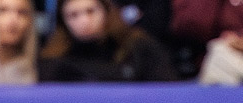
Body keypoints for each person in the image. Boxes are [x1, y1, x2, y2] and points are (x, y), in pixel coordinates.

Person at [39, 0, 176, 82]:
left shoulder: (139, 48)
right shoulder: (53, 60)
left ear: (105, 11)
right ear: (63, 21)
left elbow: (166, 92)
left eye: (90, 11)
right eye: (73, 15)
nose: (84, 21)